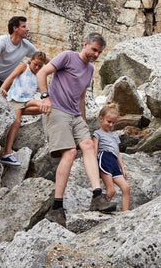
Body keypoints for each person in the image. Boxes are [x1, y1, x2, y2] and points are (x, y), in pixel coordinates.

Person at [37, 33, 116, 227]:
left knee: (88, 145)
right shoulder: (67, 56)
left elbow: (81, 98)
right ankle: (57, 206)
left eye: (99, 52)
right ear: (86, 44)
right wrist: (45, 97)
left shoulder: (89, 70)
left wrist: (82, 120)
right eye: (94, 49)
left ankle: (97, 196)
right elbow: (42, 73)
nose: (96, 54)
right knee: (71, 152)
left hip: (74, 115)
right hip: (56, 110)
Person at [0, 51, 48, 166]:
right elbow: (11, 77)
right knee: (16, 122)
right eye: (35, 64)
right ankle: (7, 153)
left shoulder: (39, 75)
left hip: (25, 102)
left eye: (40, 66)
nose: (36, 67)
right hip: (15, 100)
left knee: (43, 107)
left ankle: (18, 114)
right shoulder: (23, 67)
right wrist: (3, 89)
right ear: (30, 60)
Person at [0, 16, 45, 87]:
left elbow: (42, 58)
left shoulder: (27, 45)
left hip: (1, 82)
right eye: (24, 27)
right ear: (15, 28)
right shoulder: (1, 41)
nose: (27, 29)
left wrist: (56, 67)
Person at [92, 103, 130, 212]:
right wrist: (95, 168)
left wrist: (122, 168)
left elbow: (117, 152)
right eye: (108, 122)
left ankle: (125, 213)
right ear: (101, 118)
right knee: (111, 190)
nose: (111, 125)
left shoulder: (114, 135)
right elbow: (94, 151)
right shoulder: (97, 133)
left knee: (126, 188)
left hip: (114, 162)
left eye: (113, 122)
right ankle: (99, 207)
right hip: (105, 159)